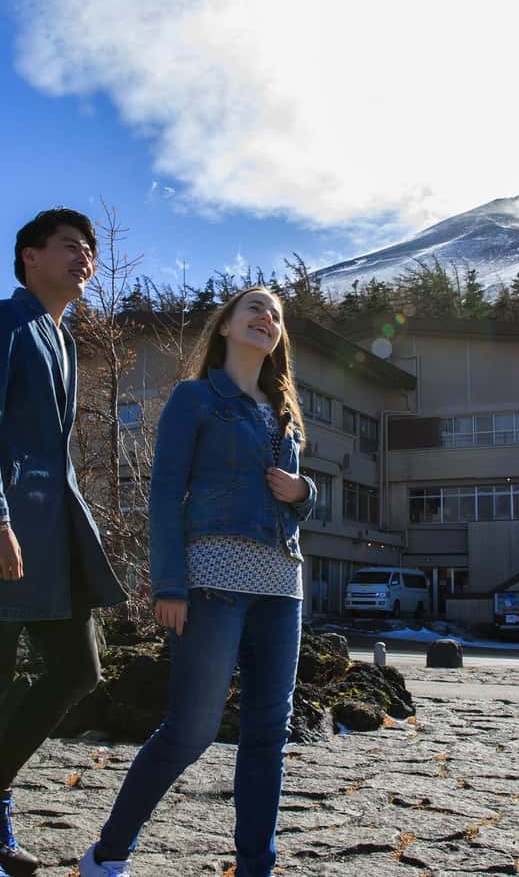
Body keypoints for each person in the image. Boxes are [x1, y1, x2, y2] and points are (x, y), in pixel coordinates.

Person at [80, 287, 317, 877]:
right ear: (226, 327)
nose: (267, 318)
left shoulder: (283, 409)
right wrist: (169, 584)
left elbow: (288, 497)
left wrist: (305, 491)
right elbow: (165, 491)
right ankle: (107, 855)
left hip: (282, 583)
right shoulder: (196, 397)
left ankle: (256, 866)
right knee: (191, 729)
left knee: (269, 732)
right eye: (254, 309)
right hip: (212, 578)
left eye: (276, 315)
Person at [0, 209, 127, 877]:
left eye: (91, 251)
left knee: (79, 669)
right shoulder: (6, 323)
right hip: (8, 529)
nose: (85, 259)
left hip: (55, 535)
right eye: (71, 246)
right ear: (29, 256)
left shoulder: (66, 339)